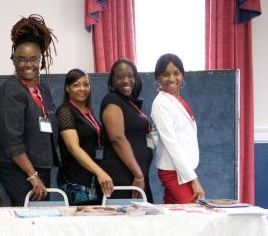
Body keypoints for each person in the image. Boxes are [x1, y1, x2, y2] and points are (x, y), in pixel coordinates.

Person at [0, 14, 59, 206]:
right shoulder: (11, 91)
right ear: (13, 60)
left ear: (41, 60)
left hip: (39, 166)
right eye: (21, 59)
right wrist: (32, 175)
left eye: (33, 59)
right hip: (20, 170)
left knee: (41, 218)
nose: (28, 65)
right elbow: (11, 140)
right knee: (30, 221)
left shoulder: (42, 89)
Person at [151, 53, 205, 203]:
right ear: (158, 78)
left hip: (183, 169)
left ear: (182, 75)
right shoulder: (161, 103)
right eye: (166, 74)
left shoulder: (177, 100)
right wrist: (194, 180)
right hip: (173, 170)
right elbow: (171, 144)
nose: (172, 79)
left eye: (176, 73)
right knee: (191, 212)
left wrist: (190, 173)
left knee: (173, 217)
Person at [56, 69, 113, 205]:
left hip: (93, 176)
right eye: (76, 85)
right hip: (76, 179)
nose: (82, 88)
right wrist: (100, 172)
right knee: (81, 222)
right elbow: (73, 147)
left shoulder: (88, 111)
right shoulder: (65, 111)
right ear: (67, 88)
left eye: (86, 84)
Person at [100, 58, 153, 202]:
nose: (126, 81)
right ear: (112, 81)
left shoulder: (128, 102)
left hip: (137, 178)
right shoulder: (112, 100)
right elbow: (117, 138)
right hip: (124, 178)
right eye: (120, 77)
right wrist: (138, 175)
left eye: (130, 76)